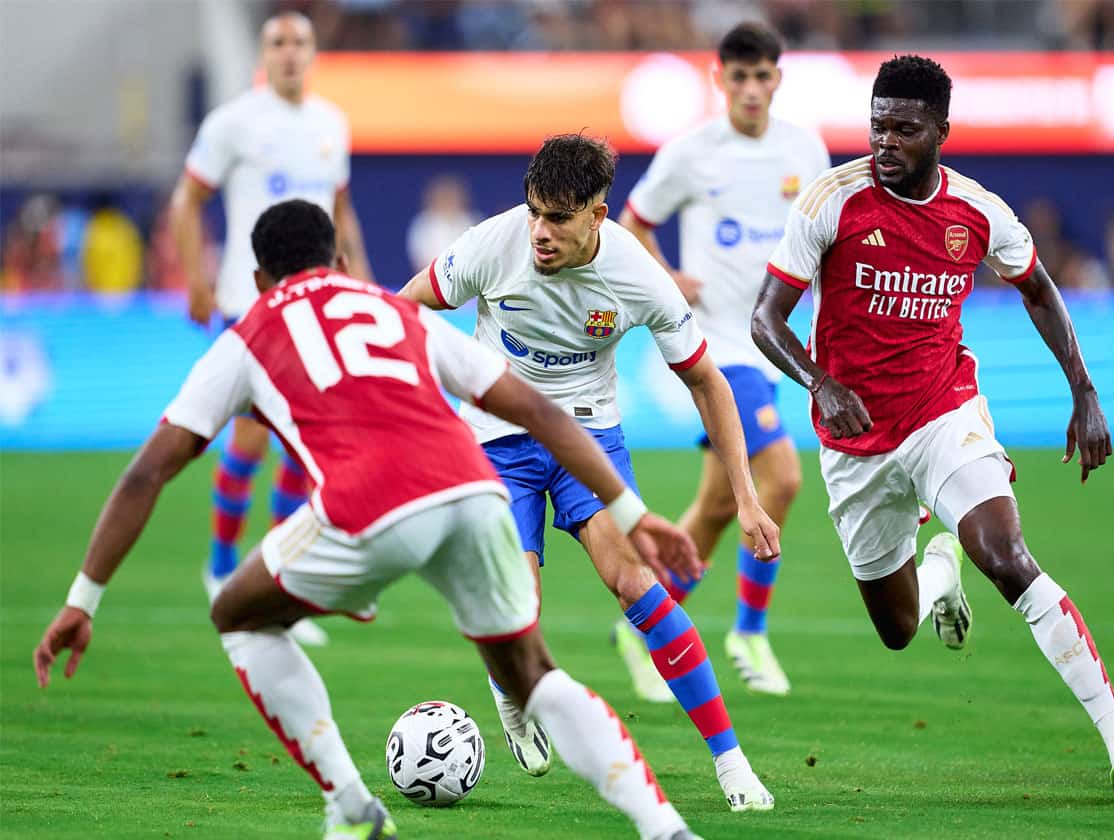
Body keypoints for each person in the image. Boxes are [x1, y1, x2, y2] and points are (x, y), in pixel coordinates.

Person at [33, 199, 705, 840]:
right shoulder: (391, 309)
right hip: (474, 489)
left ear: (260, 281)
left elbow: (147, 473)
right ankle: (662, 824)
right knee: (536, 674)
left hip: (367, 505)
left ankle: (351, 805)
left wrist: (82, 599)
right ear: (342, 261)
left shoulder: (250, 336)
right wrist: (629, 510)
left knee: (238, 613)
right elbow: (537, 410)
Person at [750, 54, 1114, 801]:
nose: (886, 142)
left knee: (1006, 557)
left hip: (943, 411)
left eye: (904, 129)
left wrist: (1084, 391)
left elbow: (1038, 289)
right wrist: (821, 382)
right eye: (878, 126)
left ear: (941, 130)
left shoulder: (978, 211)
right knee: (898, 629)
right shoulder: (830, 201)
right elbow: (765, 319)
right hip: (854, 438)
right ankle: (940, 571)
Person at [400, 133, 778, 812]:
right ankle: (510, 694)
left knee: (635, 581)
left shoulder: (636, 275)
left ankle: (731, 763)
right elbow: (404, 308)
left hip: (587, 440)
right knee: (517, 603)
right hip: (496, 438)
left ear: (598, 215)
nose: (539, 232)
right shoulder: (493, 244)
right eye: (534, 213)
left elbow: (708, 383)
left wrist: (746, 498)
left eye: (558, 218)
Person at [619, 21, 830, 697]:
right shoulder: (691, 153)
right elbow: (633, 223)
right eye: (738, 77)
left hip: (775, 344)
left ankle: (643, 625)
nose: (750, 89)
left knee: (714, 506)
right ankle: (749, 631)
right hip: (718, 346)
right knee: (783, 478)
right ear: (720, 80)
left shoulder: (805, 149)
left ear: (777, 78)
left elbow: (827, 236)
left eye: (761, 76)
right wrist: (665, 276)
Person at [169, 11, 372, 646]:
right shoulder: (233, 123)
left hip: (314, 301)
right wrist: (197, 279)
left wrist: (361, 278)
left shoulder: (331, 123)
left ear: (313, 53)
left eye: (299, 43)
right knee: (254, 438)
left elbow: (341, 212)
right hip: (248, 300)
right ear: (264, 54)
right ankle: (222, 569)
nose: (289, 53)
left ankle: (280, 578)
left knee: (303, 443)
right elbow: (186, 200)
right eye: (278, 43)